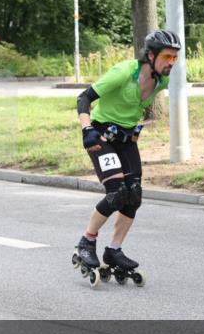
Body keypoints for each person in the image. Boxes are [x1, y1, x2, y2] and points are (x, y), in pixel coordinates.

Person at [70, 29, 181, 286]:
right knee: (117, 192)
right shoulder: (124, 72)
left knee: (134, 194)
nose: (171, 63)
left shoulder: (162, 81)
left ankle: (114, 250)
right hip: (100, 135)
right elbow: (84, 97)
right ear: (151, 55)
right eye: (167, 56)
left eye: (175, 58)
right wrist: (87, 129)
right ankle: (86, 241)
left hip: (126, 138)